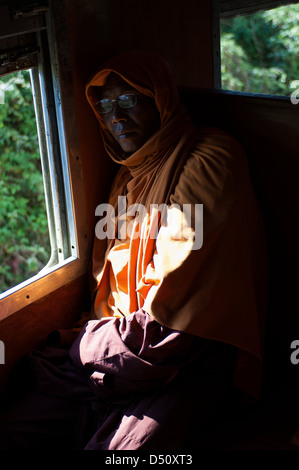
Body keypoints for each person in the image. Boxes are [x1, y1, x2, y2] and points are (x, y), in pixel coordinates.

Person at [0, 50, 268, 450]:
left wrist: (86, 347)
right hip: (118, 344)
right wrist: (97, 343)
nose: (116, 118)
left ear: (159, 99)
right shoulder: (128, 175)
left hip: (183, 354)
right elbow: (107, 287)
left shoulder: (211, 157)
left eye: (128, 100)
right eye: (105, 106)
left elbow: (173, 301)